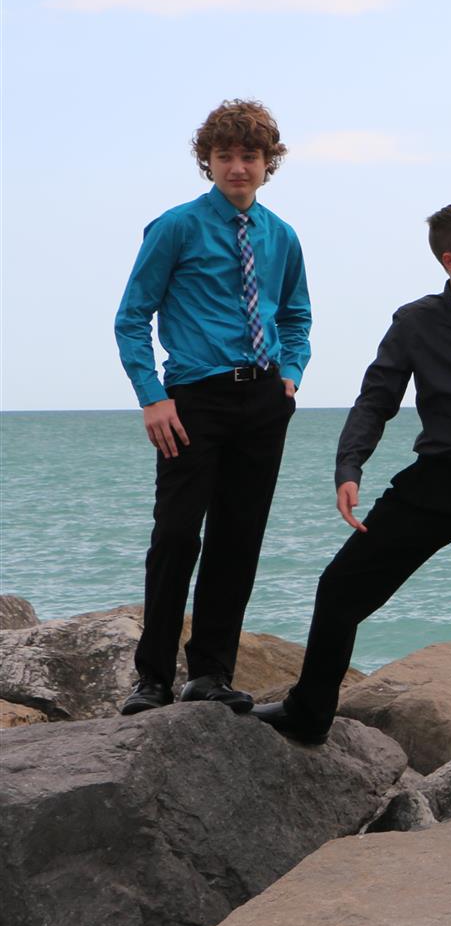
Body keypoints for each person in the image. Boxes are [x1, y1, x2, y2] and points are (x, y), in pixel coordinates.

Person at [255, 204, 451, 807]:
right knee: (339, 589)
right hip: (434, 483)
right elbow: (377, 398)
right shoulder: (415, 321)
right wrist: (350, 468)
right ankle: (308, 712)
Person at [113, 99, 311, 717]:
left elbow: (296, 317)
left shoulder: (282, 236)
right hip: (192, 400)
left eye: (249, 156)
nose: (237, 167)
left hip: (263, 400)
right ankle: (152, 679)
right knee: (176, 535)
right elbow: (131, 317)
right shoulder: (175, 227)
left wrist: (290, 377)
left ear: (268, 162)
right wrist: (152, 398)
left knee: (238, 538)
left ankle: (210, 674)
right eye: (225, 156)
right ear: (209, 161)